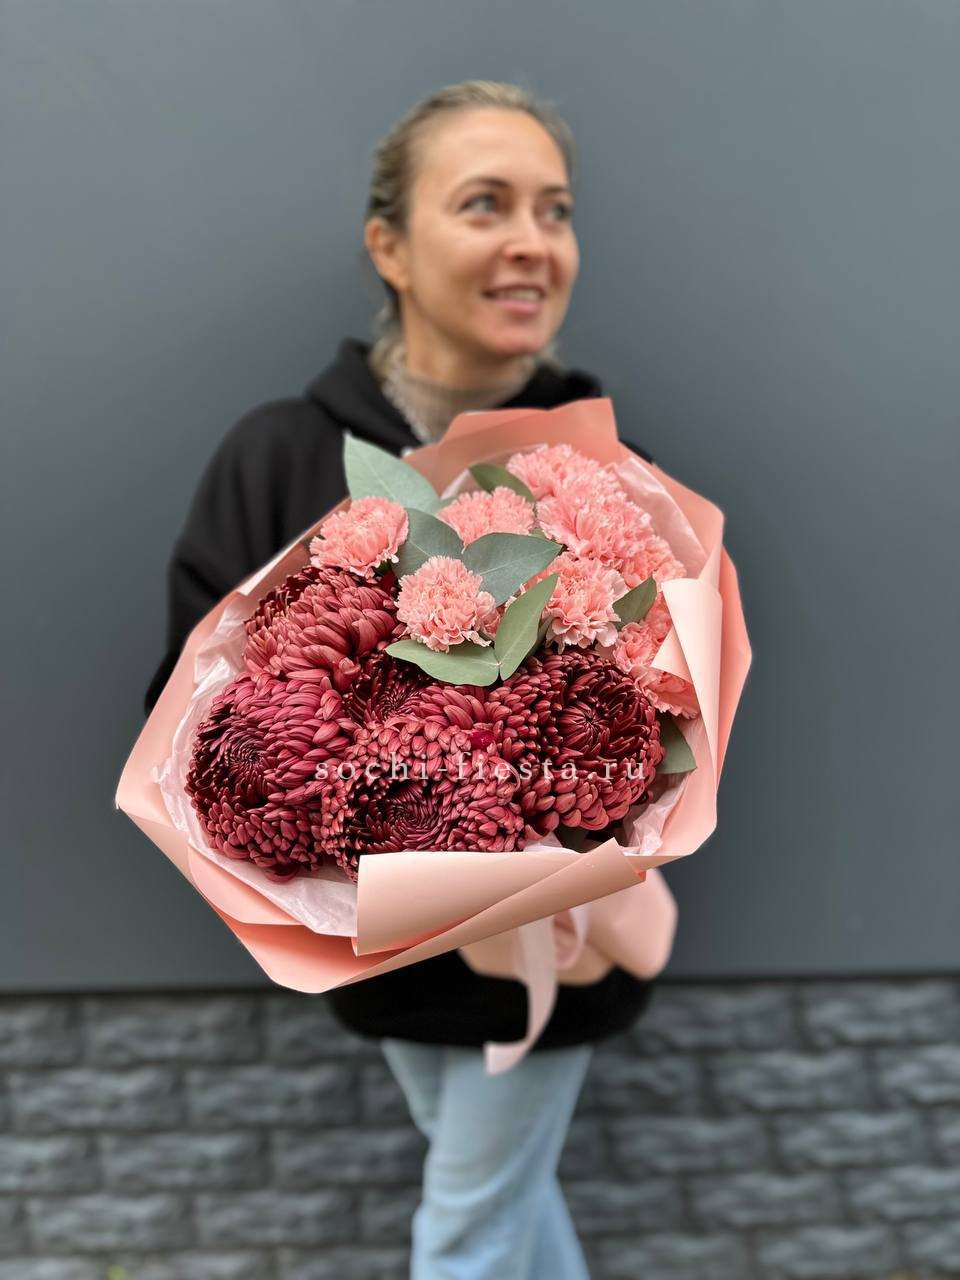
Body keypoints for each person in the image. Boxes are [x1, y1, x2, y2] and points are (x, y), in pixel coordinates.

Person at [146, 80, 658, 1280]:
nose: (532, 241)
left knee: (469, 1235)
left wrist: (554, 814)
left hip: (556, 949)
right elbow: (187, 717)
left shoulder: (604, 463)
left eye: (555, 209)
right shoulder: (282, 451)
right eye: (485, 204)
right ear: (389, 244)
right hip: (381, 963)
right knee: (509, 1219)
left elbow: (668, 711)